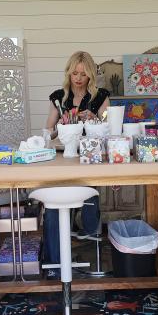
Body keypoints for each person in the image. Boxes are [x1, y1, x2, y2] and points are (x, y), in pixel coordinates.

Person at [41, 51, 110, 273]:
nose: (78, 78)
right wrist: (60, 125)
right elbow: (47, 135)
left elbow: (109, 130)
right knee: (53, 205)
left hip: (90, 158)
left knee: (86, 189)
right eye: (74, 73)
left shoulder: (100, 96)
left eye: (83, 73)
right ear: (68, 73)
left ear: (90, 75)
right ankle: (54, 263)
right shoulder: (58, 97)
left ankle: (87, 227)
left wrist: (94, 120)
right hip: (64, 158)